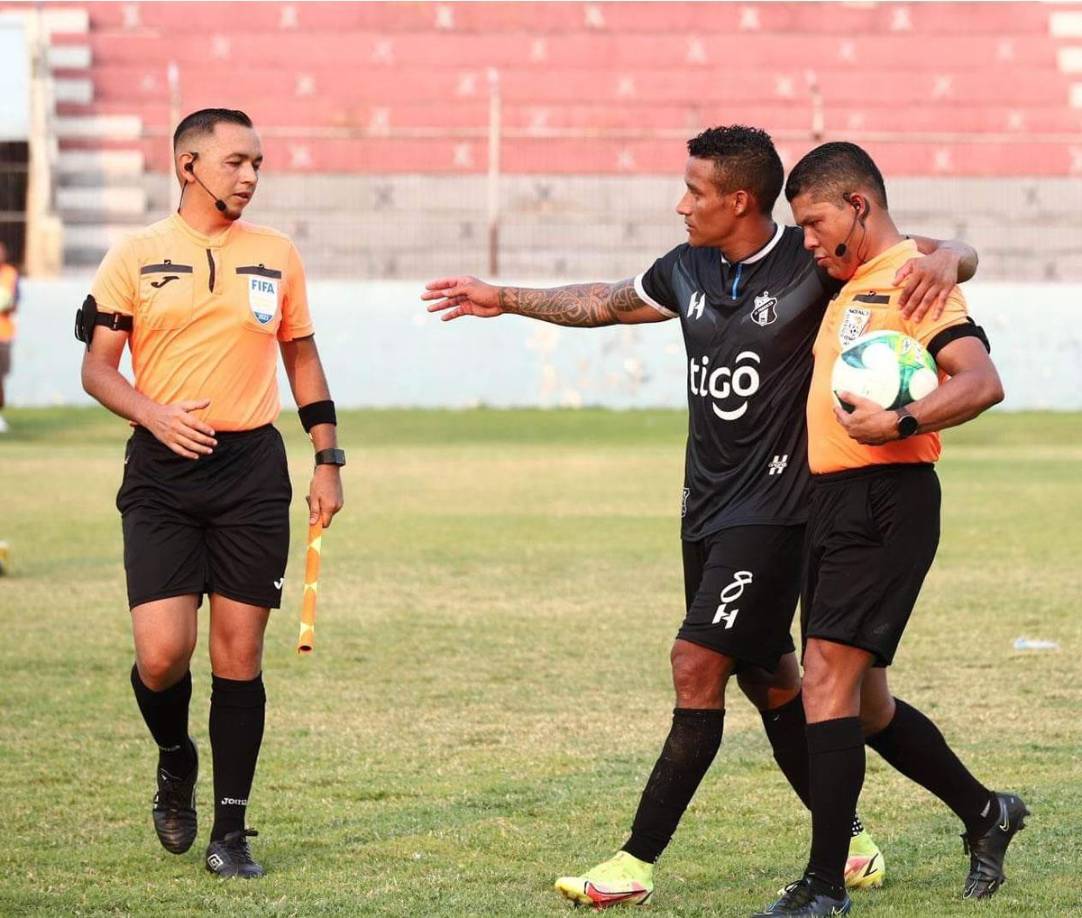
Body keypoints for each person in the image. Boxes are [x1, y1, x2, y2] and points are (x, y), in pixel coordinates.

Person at [422, 125, 976, 909]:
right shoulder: (685, 269)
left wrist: (955, 255)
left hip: (781, 509)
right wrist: (504, 298)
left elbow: (917, 253)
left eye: (695, 192)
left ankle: (636, 861)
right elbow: (606, 302)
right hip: (707, 509)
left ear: (739, 200)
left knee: (696, 662)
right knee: (770, 677)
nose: (681, 205)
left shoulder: (813, 261)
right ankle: (853, 840)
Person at [751, 142, 1025, 917]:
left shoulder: (913, 282)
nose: (807, 239)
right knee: (866, 707)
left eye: (815, 222)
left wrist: (901, 419)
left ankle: (824, 886)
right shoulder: (862, 276)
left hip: (885, 499)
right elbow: (948, 247)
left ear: (858, 206)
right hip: (832, 502)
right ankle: (987, 812)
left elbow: (981, 381)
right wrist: (957, 250)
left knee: (825, 684)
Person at [80, 108, 345, 879]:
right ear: (188, 165)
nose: (251, 176)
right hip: (161, 474)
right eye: (236, 162)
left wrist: (328, 458)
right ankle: (175, 756)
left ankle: (231, 834)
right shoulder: (135, 256)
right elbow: (97, 369)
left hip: (251, 473)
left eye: (258, 162)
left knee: (239, 654)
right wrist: (152, 413)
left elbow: (301, 357)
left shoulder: (277, 254)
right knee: (162, 656)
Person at [0, 240, 20, 433]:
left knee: (0, 378)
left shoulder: (10, 274)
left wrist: (6, 303)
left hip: (3, 335)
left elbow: (14, 304)